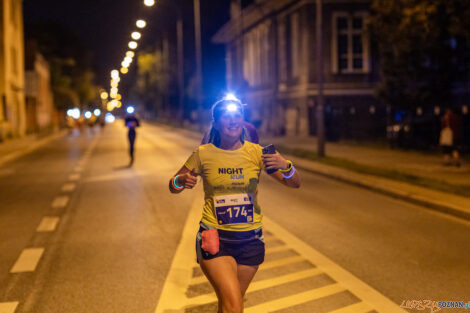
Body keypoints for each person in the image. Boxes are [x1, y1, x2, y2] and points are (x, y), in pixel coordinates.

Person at [169, 97, 300, 313]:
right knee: (234, 306)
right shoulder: (203, 154)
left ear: (242, 120)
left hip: (250, 241)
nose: (232, 121)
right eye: (226, 117)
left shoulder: (257, 153)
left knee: (230, 304)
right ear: (216, 123)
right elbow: (172, 185)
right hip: (215, 238)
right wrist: (180, 181)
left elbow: (294, 183)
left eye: (237, 116)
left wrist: (287, 166)